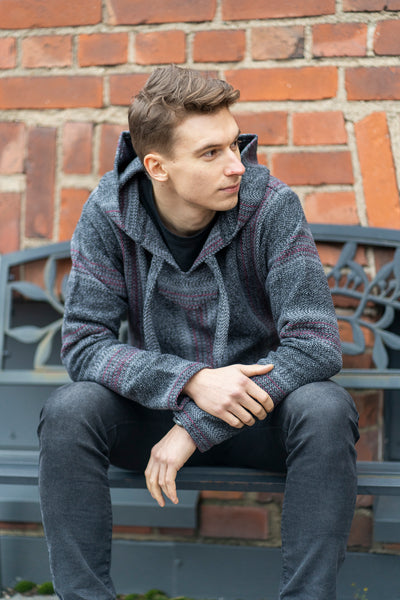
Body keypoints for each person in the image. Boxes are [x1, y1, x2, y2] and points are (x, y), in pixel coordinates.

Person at [38, 64, 359, 600]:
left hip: (257, 416)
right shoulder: (107, 213)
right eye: (211, 153)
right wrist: (191, 381)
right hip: (153, 417)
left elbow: (317, 343)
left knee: (326, 407)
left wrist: (193, 426)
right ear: (157, 167)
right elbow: (84, 345)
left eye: (234, 145)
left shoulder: (271, 205)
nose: (236, 166)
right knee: (70, 410)